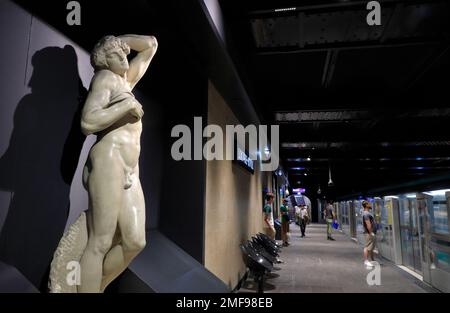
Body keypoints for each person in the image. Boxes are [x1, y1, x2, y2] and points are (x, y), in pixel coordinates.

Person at [78, 35, 158, 292]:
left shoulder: (125, 82)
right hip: (108, 160)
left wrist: (116, 41)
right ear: (103, 61)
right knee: (99, 242)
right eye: (116, 55)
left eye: (123, 52)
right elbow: (88, 123)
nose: (124, 57)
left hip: (130, 169)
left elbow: (150, 45)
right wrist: (125, 108)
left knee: (135, 241)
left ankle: (94, 286)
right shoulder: (104, 79)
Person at [362, 200, 377, 269]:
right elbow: (368, 224)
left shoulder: (367, 213)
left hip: (370, 233)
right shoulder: (366, 214)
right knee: (367, 247)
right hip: (369, 233)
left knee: (371, 247)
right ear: (366, 205)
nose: (370, 204)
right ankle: (366, 261)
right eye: (369, 204)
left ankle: (372, 260)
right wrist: (371, 233)